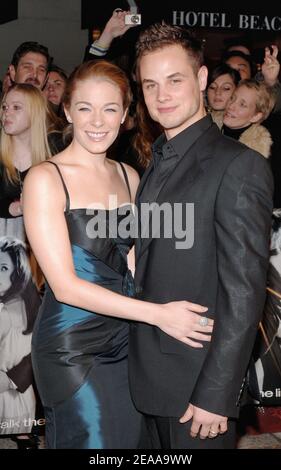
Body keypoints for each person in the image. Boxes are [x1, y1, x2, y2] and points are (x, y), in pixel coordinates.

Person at [22, 60, 213, 449]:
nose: (97, 120)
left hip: (129, 334)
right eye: (85, 107)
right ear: (68, 110)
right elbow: (66, 287)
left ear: (125, 115)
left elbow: (134, 264)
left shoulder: (129, 176)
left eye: (110, 108)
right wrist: (160, 316)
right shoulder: (45, 178)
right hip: (72, 344)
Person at [128, 23, 273, 449]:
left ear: (203, 80)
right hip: (145, 379)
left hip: (197, 392)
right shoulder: (155, 160)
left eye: (175, 80)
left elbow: (244, 291)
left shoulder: (238, 165)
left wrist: (217, 393)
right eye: (150, 84)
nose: (162, 95)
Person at [0, 83, 50, 448]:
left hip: (34, 262)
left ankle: (21, 425)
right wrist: (12, 207)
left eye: (15, 107)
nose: (6, 113)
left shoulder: (49, 164)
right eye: (4, 106)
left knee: (25, 340)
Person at [0, 237, 40, 439]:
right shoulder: (31, 304)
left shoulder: (7, 310)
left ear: (18, 272)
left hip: (9, 399)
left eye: (3, 268)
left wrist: (11, 379)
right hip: (22, 398)